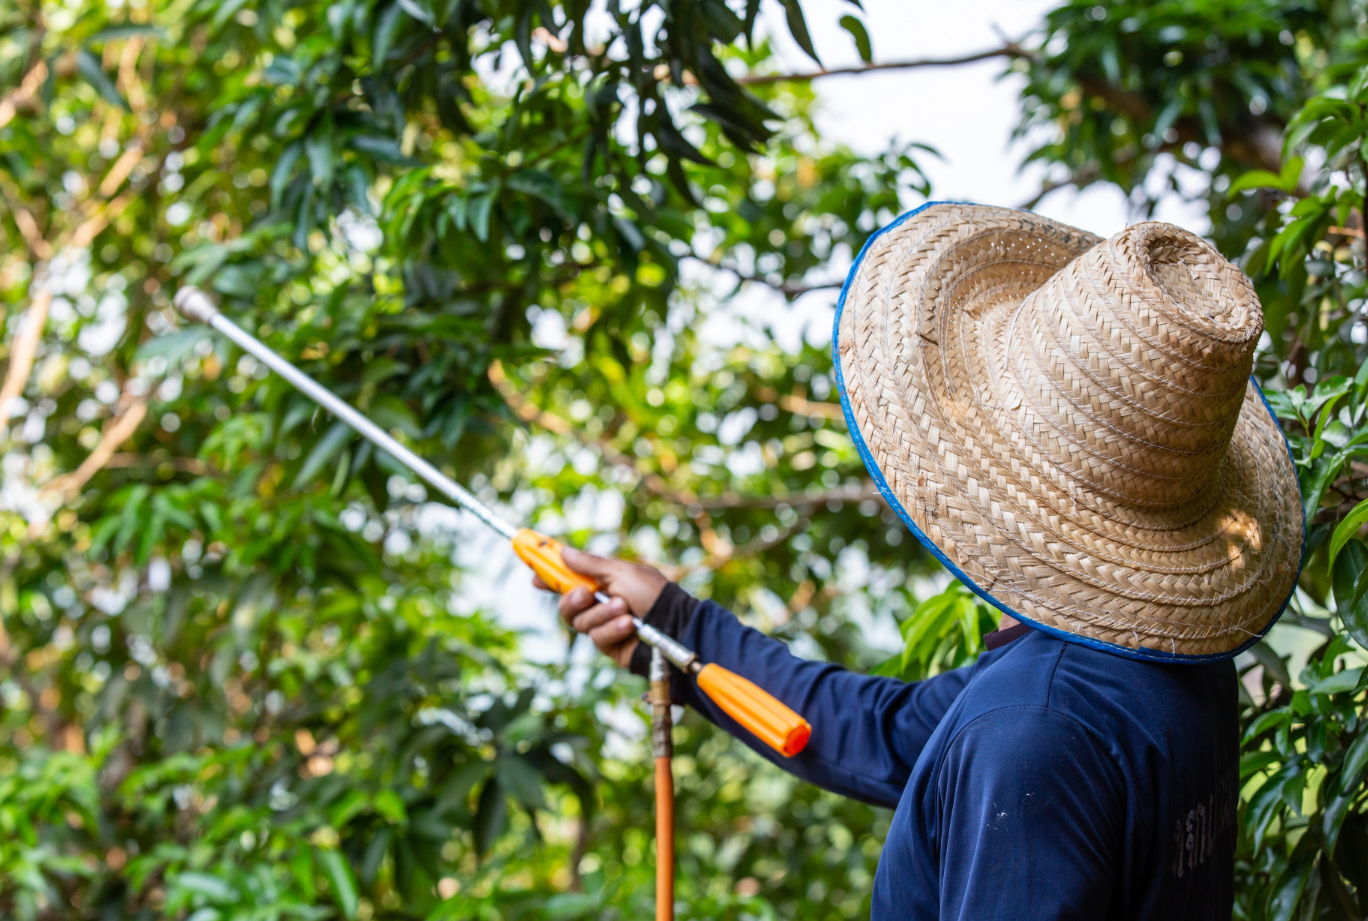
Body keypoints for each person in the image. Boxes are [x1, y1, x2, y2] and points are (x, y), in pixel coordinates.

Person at [539, 204, 1303, 920]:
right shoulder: (1158, 661)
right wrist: (674, 623)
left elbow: (1001, 748)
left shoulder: (1031, 730)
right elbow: (893, 734)